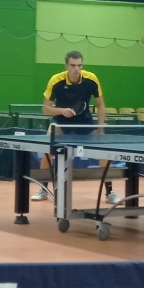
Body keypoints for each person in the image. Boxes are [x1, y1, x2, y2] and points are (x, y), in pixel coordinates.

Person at [35, 50, 108, 201]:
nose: (76, 69)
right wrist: (62, 111)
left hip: (85, 121)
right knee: (48, 150)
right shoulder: (56, 81)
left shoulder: (91, 79)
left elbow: (100, 105)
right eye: (73, 65)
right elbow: (46, 109)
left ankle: (110, 191)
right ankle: (43, 189)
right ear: (66, 66)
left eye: (79, 65)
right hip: (61, 121)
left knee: (104, 151)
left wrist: (101, 127)